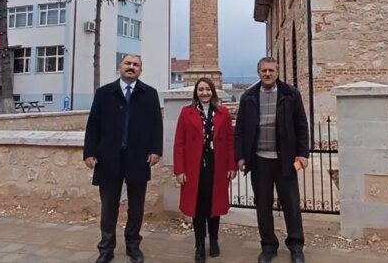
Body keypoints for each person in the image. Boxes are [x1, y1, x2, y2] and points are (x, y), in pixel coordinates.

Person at [84, 54, 163, 263]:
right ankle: (106, 249)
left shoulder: (149, 94)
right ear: (120, 66)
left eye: (135, 65)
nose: (131, 67)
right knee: (109, 206)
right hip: (108, 157)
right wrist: (89, 152)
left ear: (140, 70)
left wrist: (156, 150)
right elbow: (93, 125)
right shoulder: (104, 93)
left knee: (136, 207)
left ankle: (133, 246)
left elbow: (157, 125)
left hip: (138, 158)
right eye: (127, 63)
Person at [235, 57, 309, 263]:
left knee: (291, 205)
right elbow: (240, 129)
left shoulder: (290, 94)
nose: (267, 74)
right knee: (263, 206)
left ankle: (296, 246)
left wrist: (303, 153)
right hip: (259, 161)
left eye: (271, 70)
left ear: (277, 72)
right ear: (258, 73)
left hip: (284, 160)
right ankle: (268, 246)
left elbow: (302, 125)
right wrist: (240, 156)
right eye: (263, 70)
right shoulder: (248, 96)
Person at [173, 77, 237, 262]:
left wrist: (232, 165)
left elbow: (230, 141)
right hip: (194, 167)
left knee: (214, 205)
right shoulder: (187, 113)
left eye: (207, 89)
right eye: (201, 90)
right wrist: (180, 170)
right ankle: (199, 244)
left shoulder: (223, 113)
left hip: (217, 165)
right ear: (196, 93)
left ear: (213, 92)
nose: (204, 93)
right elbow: (179, 143)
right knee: (198, 207)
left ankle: (214, 239)